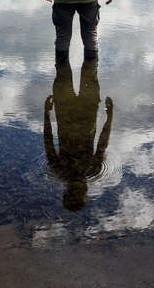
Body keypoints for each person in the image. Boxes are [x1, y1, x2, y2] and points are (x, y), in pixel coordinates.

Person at [44, 58, 113, 211]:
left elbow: (48, 142)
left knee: (65, 67)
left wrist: (46, 114)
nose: (83, 188)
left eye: (77, 191)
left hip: (69, 115)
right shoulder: (91, 170)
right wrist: (109, 117)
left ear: (67, 191)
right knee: (87, 65)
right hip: (80, 116)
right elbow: (102, 143)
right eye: (83, 191)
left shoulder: (60, 170)